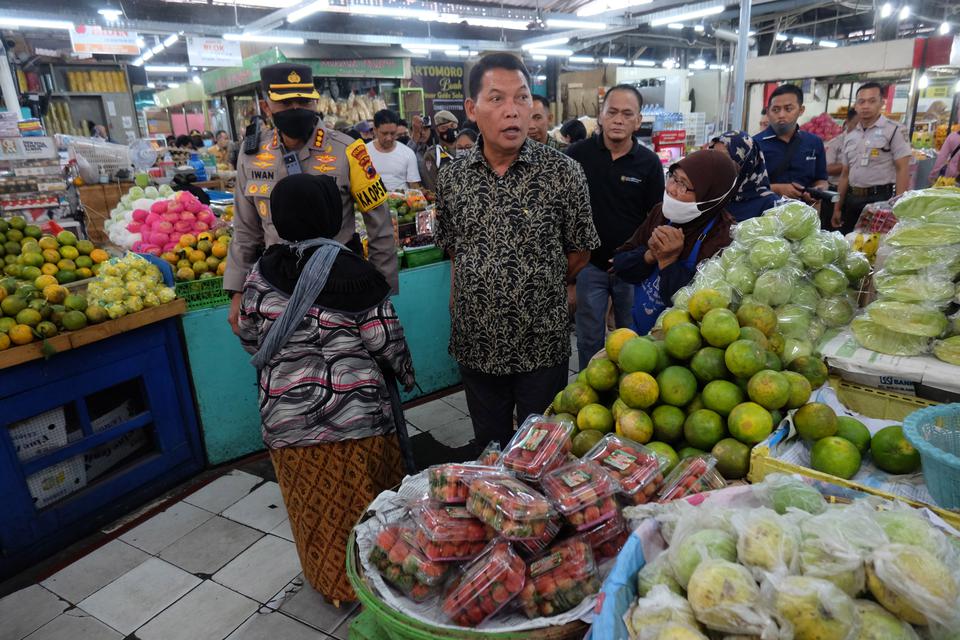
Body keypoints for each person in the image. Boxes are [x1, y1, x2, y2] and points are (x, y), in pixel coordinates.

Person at [238, 172, 414, 606]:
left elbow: (248, 332)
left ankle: (329, 582)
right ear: (330, 214)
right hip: (356, 420)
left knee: (312, 508)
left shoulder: (261, 272)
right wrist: (406, 375)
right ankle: (375, 583)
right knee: (366, 503)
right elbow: (384, 340)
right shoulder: (355, 272)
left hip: (286, 421)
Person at [434, 53, 599, 450]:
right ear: (472, 110)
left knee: (539, 451)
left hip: (541, 339)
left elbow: (580, 251)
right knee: (489, 447)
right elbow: (455, 250)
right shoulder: (453, 176)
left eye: (522, 99)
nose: (512, 112)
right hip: (477, 338)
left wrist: (532, 285)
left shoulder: (563, 172)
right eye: (497, 100)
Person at [225, 63, 399, 336]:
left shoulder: (349, 150)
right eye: (286, 102)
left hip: (340, 284)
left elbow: (380, 224)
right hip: (277, 287)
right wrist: (237, 291)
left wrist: (382, 291)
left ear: (315, 101)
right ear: (267, 106)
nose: (296, 108)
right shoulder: (252, 156)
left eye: (303, 100)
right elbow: (246, 231)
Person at [566, 84, 664, 368]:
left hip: (632, 270)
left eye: (627, 113)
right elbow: (565, 213)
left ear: (638, 120)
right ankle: (590, 394)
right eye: (612, 112)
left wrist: (638, 256)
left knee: (634, 340)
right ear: (601, 115)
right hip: (589, 267)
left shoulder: (648, 163)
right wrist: (571, 271)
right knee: (588, 340)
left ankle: (632, 394)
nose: (618, 119)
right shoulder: (577, 156)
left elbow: (655, 216)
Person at [612, 150, 740, 334]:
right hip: (639, 335)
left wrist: (668, 262)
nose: (671, 189)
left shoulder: (724, 237)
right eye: (673, 178)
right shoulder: (660, 213)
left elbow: (704, 309)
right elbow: (621, 264)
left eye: (684, 185)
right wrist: (649, 255)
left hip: (683, 344)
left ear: (710, 195)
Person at [832, 82, 912, 234]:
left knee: (873, 246)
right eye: (861, 102)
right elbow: (844, 175)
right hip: (852, 199)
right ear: (856, 106)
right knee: (848, 243)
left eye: (872, 101)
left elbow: (903, 169)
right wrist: (837, 207)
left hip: (880, 199)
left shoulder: (894, 130)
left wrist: (897, 207)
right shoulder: (850, 136)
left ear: (882, 103)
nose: (866, 106)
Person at [754, 84, 828, 205]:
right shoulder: (754, 144)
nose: (781, 115)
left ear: (801, 110)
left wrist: (818, 190)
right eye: (776, 110)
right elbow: (745, 187)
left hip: (803, 214)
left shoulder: (814, 142)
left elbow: (822, 179)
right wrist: (777, 189)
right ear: (768, 112)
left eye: (788, 109)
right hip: (765, 214)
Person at [708, 131, 779, 221]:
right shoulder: (711, 196)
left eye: (724, 156)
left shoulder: (769, 204)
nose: (716, 162)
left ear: (746, 160)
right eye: (713, 155)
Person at [366, 109, 421, 191]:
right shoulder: (364, 152)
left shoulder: (408, 153)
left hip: (402, 202)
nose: (389, 138)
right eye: (384, 133)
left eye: (393, 133)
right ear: (375, 130)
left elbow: (414, 185)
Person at [422, 110, 459, 191]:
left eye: (453, 126)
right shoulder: (432, 154)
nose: (449, 130)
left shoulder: (468, 148)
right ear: (437, 131)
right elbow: (432, 187)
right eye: (444, 128)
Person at [826, 109, 859, 182]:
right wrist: (852, 163)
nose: (860, 129)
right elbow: (827, 169)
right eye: (857, 125)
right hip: (836, 186)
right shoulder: (836, 142)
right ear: (847, 122)